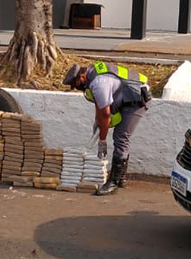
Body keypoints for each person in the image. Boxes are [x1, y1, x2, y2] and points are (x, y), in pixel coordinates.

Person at [63, 61, 151, 195]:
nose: (76, 88)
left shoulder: (98, 83)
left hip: (137, 99)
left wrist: (102, 141)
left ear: (81, 77)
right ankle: (121, 178)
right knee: (119, 135)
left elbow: (105, 114)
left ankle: (114, 182)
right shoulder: (92, 74)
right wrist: (97, 121)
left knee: (121, 136)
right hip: (126, 97)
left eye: (75, 85)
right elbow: (99, 106)